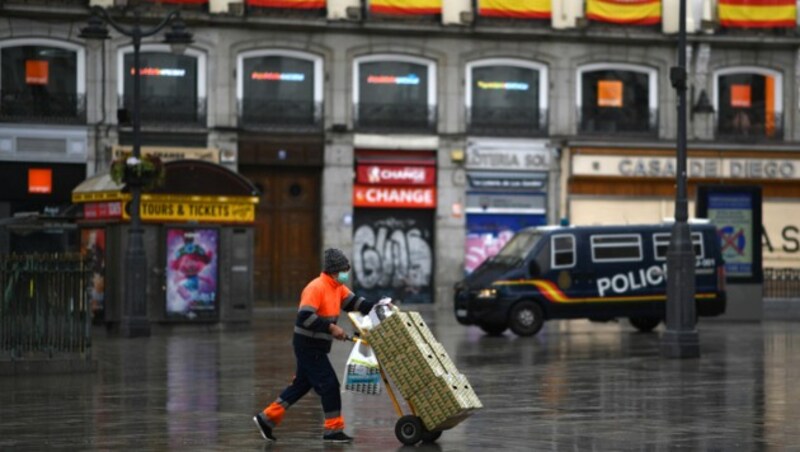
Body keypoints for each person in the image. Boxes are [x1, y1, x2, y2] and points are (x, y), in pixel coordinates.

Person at [253, 248, 379, 443]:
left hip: (318, 346)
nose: (347, 274)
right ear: (334, 271)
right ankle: (333, 430)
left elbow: (355, 303)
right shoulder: (316, 287)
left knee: (301, 386)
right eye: (344, 270)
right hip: (307, 345)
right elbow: (304, 317)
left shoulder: (338, 287)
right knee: (329, 385)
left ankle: (266, 418)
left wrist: (379, 307)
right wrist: (331, 328)